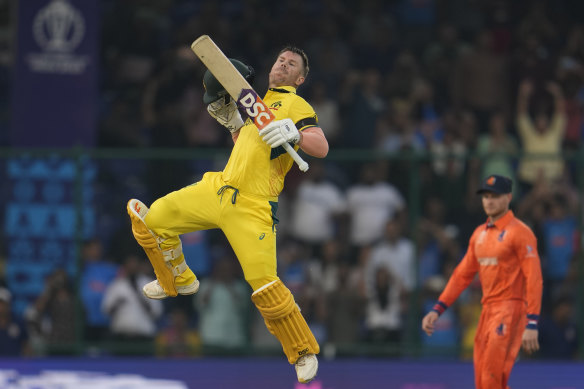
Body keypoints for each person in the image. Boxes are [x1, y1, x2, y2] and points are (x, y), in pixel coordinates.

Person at [126, 46, 328, 383]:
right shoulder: (255, 106)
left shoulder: (296, 105)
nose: (283, 64)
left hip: (254, 205)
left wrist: (296, 133)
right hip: (219, 188)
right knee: (153, 218)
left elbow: (320, 145)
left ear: (300, 78)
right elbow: (246, 149)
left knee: (265, 287)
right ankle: (176, 278)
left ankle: (302, 350)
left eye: (292, 64)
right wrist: (235, 124)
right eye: (280, 59)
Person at [421, 174, 543, 389]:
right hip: (487, 311)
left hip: (510, 309)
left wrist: (532, 321)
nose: (489, 201)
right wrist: (438, 309)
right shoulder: (479, 234)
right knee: (484, 381)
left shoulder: (520, 233)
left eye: (494, 196)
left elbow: (534, 278)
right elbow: (462, 275)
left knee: (490, 377)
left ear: (508, 197)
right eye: (485, 196)